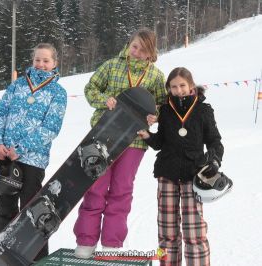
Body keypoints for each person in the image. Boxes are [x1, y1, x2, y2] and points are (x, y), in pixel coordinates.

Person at [73, 28, 167, 258]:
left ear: (150, 54)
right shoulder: (112, 65)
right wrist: (105, 100)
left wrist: (157, 116)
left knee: (121, 190)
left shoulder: (155, 76)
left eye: (143, 50)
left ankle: (112, 244)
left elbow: (163, 105)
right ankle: (86, 241)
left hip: (134, 140)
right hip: (103, 133)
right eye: (135, 46)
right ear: (129, 44)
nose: (136, 52)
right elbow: (90, 89)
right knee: (95, 186)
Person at [138, 67, 225, 266]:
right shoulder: (166, 110)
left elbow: (215, 141)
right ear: (169, 88)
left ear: (191, 86)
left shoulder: (203, 110)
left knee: (194, 232)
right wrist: (148, 136)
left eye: (182, 85)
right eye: (174, 86)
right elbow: (160, 142)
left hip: (194, 175)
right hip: (166, 173)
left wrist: (214, 161)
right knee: (167, 233)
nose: (179, 90)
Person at [0, 43, 67, 261]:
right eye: (37, 60)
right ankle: (1, 257)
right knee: (4, 207)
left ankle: (37, 259)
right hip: (5, 157)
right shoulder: (17, 86)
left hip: (33, 159)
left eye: (46, 61)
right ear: (32, 61)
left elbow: (51, 128)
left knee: (32, 210)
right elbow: (0, 114)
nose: (41, 64)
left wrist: (21, 149)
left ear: (54, 63)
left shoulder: (57, 92)